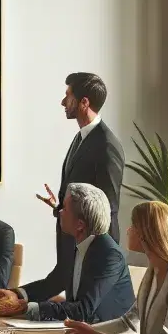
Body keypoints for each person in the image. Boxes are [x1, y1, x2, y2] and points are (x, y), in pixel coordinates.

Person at [0, 183, 133, 323]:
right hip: (83, 332)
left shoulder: (110, 256)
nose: (59, 212)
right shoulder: (79, 244)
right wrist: (14, 294)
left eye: (64, 208)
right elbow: (51, 283)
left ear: (80, 225)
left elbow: (83, 310)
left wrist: (23, 307)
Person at [63, 199, 168, 334]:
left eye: (133, 226)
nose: (128, 230)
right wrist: (88, 331)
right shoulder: (153, 272)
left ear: (146, 234)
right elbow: (129, 322)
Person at [37, 72, 124, 263]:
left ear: (84, 102)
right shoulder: (81, 137)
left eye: (68, 96)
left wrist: (102, 261)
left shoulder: (107, 146)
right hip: (75, 248)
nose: (62, 102)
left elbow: (107, 208)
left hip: (94, 255)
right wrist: (59, 208)